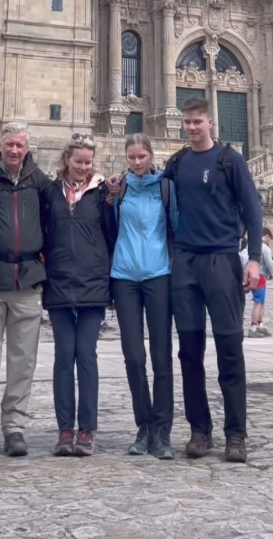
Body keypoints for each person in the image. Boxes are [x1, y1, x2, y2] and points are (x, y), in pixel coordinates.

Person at [164, 97, 262, 464]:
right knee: (189, 353)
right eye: (187, 122)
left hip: (222, 260)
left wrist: (253, 260)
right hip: (185, 263)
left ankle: (236, 434)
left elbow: (253, 209)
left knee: (229, 350)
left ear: (210, 122)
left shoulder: (229, 160)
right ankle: (199, 431)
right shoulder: (176, 163)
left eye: (198, 122)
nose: (192, 127)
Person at [0, 123, 52, 460]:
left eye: (19, 145)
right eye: (9, 144)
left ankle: (14, 425)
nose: (14, 151)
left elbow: (58, 213)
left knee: (23, 361)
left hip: (27, 279)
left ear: (27, 147)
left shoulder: (39, 180)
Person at [43, 135, 117, 457]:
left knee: (85, 356)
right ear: (66, 161)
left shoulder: (102, 194)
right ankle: (64, 429)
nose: (83, 168)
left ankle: (86, 429)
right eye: (78, 162)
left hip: (92, 286)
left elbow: (112, 233)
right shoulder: (50, 193)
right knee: (63, 357)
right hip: (59, 282)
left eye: (88, 162)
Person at [111, 133, 177, 460]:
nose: (137, 162)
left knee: (162, 356)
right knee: (134, 356)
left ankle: (162, 430)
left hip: (159, 275)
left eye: (142, 156)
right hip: (124, 277)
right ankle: (143, 426)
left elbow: (176, 227)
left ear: (151, 156)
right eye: (132, 157)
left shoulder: (166, 188)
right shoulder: (117, 190)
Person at [246, 229, 273, 337]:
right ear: (267, 236)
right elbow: (269, 263)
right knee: (258, 302)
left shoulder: (252, 245)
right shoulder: (264, 247)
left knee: (261, 302)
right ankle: (253, 327)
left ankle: (260, 325)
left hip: (252, 275)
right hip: (260, 276)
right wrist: (271, 273)